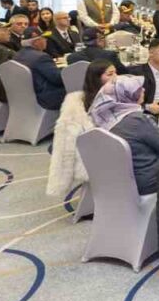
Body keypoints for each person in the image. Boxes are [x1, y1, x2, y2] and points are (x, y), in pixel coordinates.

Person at [46, 60, 116, 200]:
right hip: (99, 150)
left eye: (116, 73)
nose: (115, 77)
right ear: (96, 78)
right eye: (110, 74)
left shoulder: (116, 94)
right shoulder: (77, 104)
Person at [89, 76, 159, 195]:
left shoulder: (100, 118)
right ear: (126, 95)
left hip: (115, 183)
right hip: (149, 183)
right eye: (138, 89)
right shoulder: (138, 120)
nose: (144, 90)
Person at [13, 29, 66, 111]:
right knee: (79, 89)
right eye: (43, 38)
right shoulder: (41, 57)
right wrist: (67, 70)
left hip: (25, 96)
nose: (46, 40)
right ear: (36, 42)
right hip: (46, 98)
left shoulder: (17, 55)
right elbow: (58, 79)